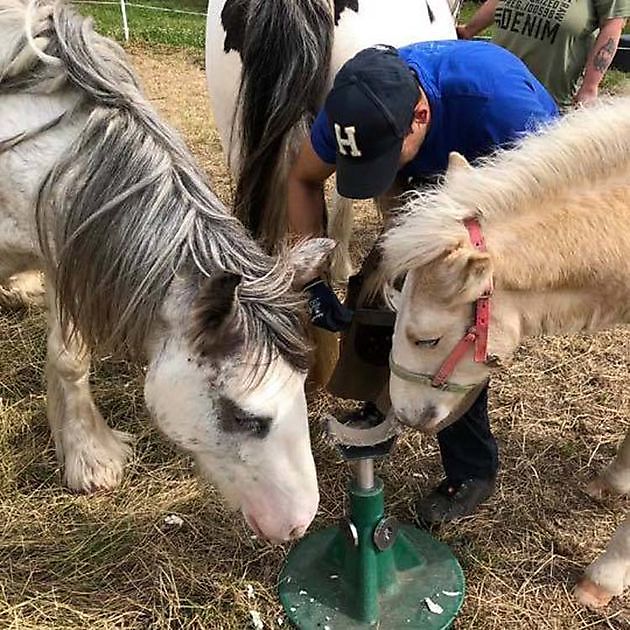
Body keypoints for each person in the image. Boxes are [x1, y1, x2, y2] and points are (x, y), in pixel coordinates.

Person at [291, 40, 559, 524]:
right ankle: (385, 400)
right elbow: (302, 180)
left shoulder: (502, 107)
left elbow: (551, 206)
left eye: (385, 156)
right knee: (378, 287)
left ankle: (472, 468)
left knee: (452, 327)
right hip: (424, 184)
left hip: (503, 195)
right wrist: (310, 281)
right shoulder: (353, 106)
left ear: (418, 115)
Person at [457, 0, 629, 107]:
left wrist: (589, 87)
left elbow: (612, 26)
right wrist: (469, 30)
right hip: (489, 89)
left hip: (545, 100)